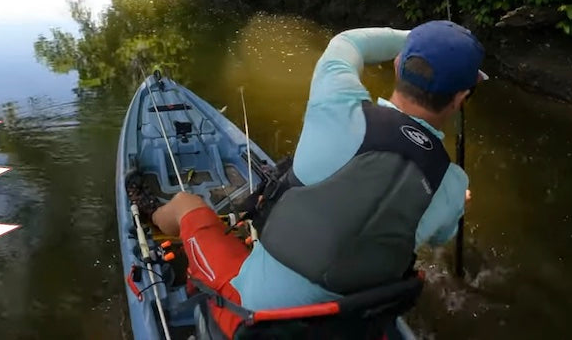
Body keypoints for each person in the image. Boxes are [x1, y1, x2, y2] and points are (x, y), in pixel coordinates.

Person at [127, 20, 486, 339]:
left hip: (252, 320)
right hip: (349, 325)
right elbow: (441, 232)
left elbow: (349, 42)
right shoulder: (451, 185)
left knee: (188, 205)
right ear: (461, 98)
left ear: (397, 64)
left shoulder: (338, 103)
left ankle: (150, 215)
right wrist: (456, 202)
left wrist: (415, 38)